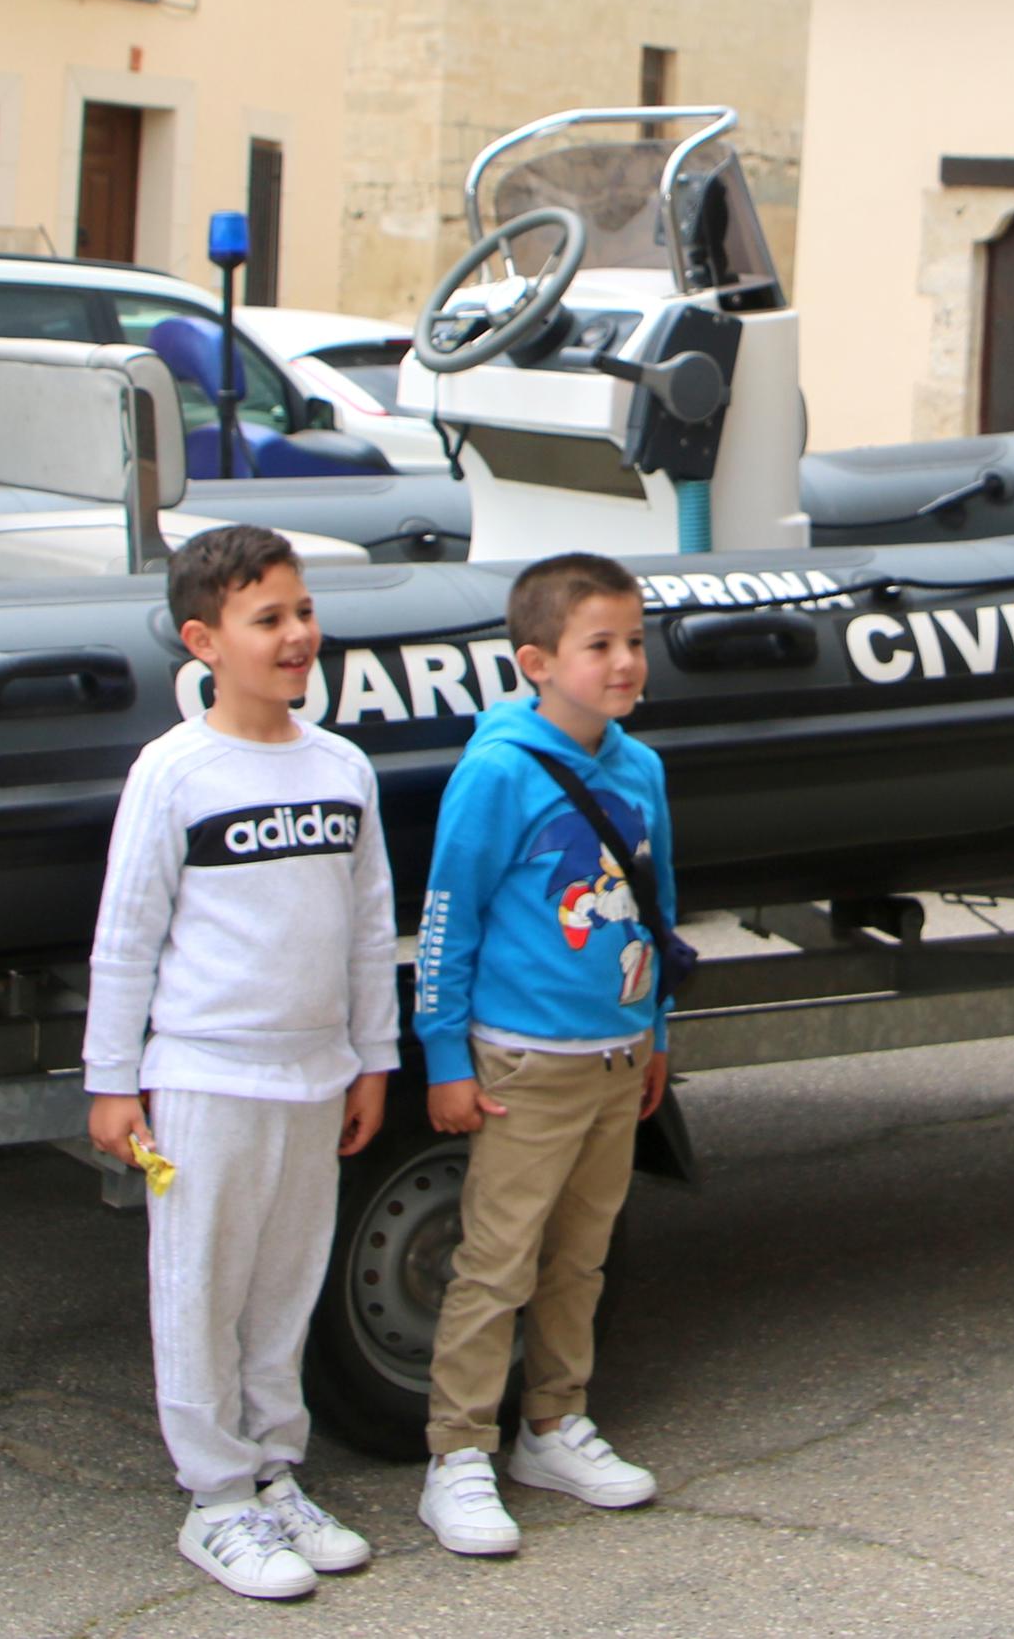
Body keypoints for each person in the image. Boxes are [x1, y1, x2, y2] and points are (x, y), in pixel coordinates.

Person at [82, 525, 396, 1602]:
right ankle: (214, 1500)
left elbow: (366, 924)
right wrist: (111, 1080)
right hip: (206, 1083)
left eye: (303, 612)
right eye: (269, 618)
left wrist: (372, 1056)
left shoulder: (341, 766)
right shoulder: (173, 772)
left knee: (282, 1288)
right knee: (199, 1287)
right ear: (203, 639)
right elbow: (126, 935)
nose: (298, 633)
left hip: (315, 1078)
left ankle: (274, 1473)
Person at [408, 550, 676, 1560]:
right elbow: (448, 919)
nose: (623, 662)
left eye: (633, 642)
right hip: (522, 1064)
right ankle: (456, 1453)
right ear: (535, 660)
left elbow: (662, 906)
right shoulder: (496, 771)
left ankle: (551, 1424)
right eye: (598, 644)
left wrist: (656, 1032)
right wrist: (445, 1057)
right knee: (495, 1261)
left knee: (581, 1255)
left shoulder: (640, 768)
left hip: (617, 1056)